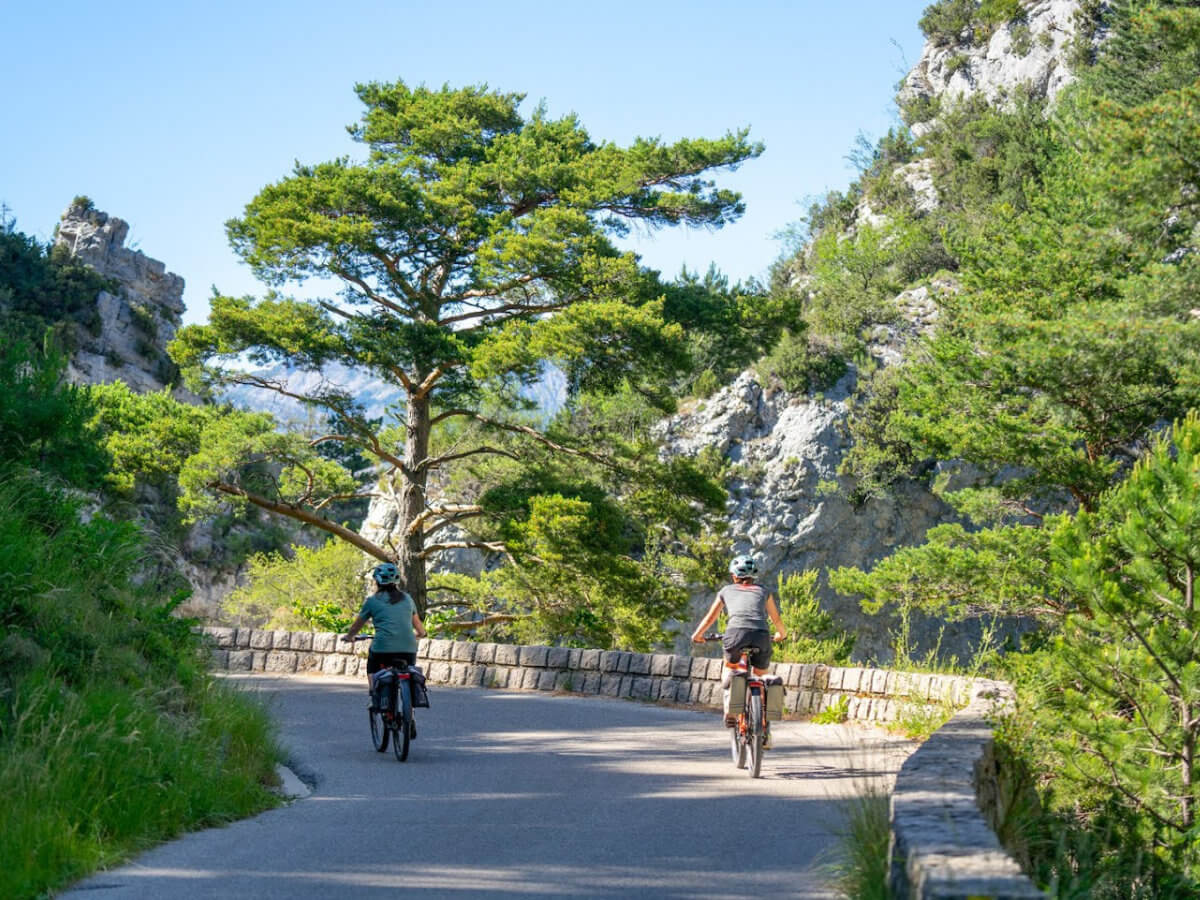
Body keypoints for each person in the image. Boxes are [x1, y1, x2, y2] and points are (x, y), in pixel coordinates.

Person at [691, 554, 787, 741]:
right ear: (754, 576)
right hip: (761, 635)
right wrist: (781, 634)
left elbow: (711, 618)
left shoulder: (726, 591)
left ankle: (731, 713)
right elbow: (776, 619)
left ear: (734, 576)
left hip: (735, 635)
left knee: (731, 668)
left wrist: (698, 635)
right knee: (761, 674)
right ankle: (765, 722)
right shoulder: (763, 591)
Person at [341, 562, 427, 725]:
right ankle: (411, 716)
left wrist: (350, 636)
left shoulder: (372, 601)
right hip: (408, 648)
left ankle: (374, 696)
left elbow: (357, 625)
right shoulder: (408, 599)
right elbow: (420, 629)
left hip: (382, 649)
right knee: (408, 670)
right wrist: (420, 634)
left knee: (372, 666)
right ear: (396, 581)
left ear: (377, 581)